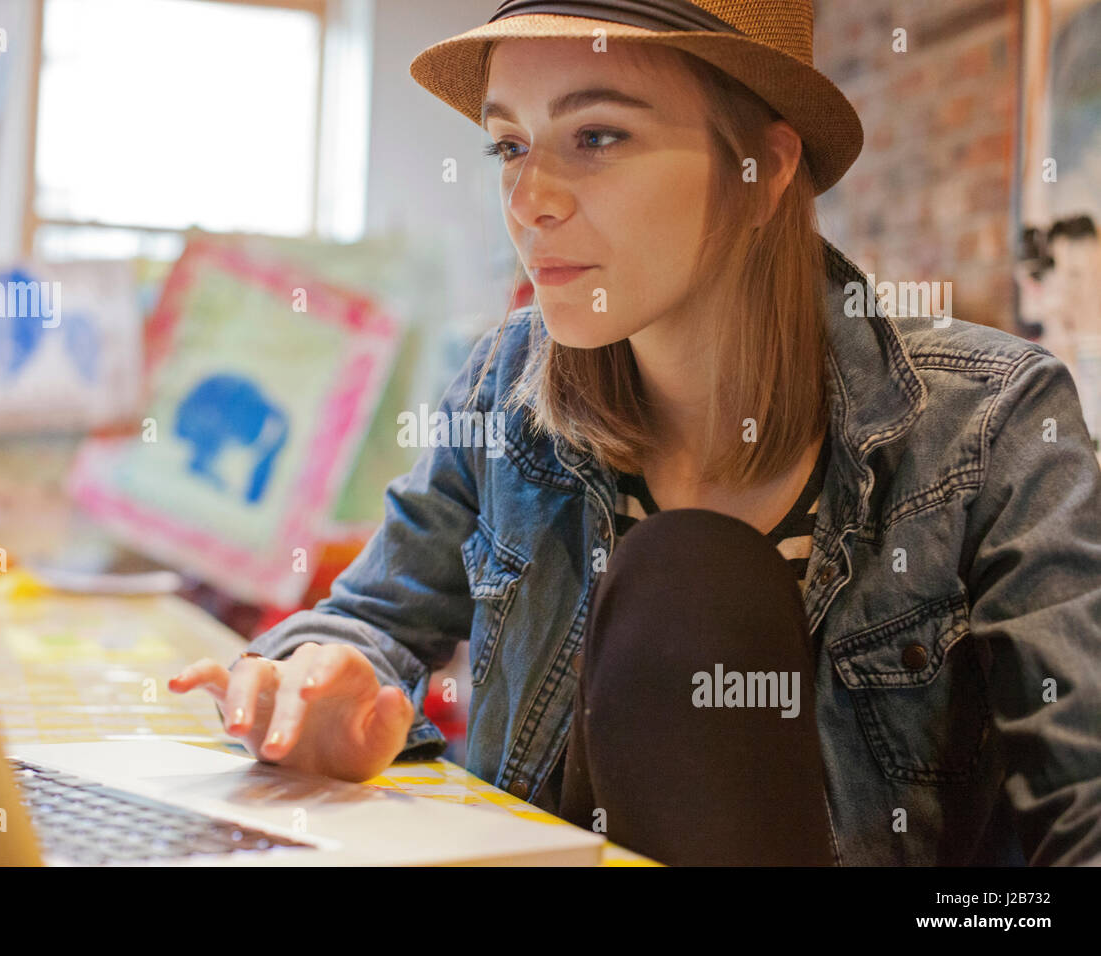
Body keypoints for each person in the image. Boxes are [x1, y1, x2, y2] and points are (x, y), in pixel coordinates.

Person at [170, 0, 1101, 865]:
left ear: (765, 168)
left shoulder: (992, 421)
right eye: (507, 145)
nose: (528, 197)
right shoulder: (504, 387)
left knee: (692, 577)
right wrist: (320, 681)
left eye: (597, 135)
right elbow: (366, 622)